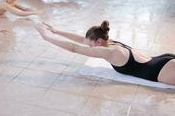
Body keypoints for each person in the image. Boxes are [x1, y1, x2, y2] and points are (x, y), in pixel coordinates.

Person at [35, 21, 175, 85]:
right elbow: (81, 40)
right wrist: (56, 31)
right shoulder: (110, 42)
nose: (89, 47)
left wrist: (47, 38)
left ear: (99, 42)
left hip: (160, 70)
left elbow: (74, 48)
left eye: (91, 45)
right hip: (163, 61)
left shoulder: (109, 52)